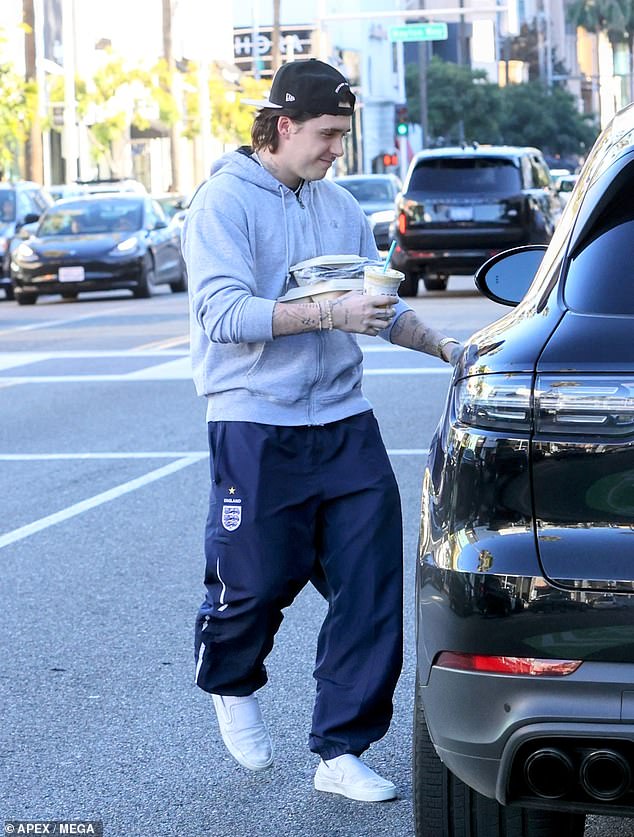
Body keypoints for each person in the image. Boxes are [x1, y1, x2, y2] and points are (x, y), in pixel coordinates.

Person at [182, 58, 463, 803]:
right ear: (282, 126)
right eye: (328, 133)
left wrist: (450, 349)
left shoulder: (338, 204)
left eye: (343, 133)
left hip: (345, 424)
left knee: (371, 588)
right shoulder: (223, 203)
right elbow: (222, 315)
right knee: (255, 581)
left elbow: (379, 301)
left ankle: (341, 748)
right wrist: (326, 314)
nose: (338, 147)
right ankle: (231, 681)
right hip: (255, 421)